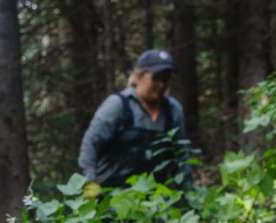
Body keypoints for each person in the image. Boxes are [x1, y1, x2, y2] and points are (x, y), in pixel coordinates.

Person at [78, 49, 191, 189]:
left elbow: (181, 154)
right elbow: (90, 144)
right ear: (139, 76)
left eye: (166, 78)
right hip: (112, 193)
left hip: (155, 199)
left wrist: (188, 193)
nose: (161, 84)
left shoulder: (173, 110)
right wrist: (90, 183)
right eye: (156, 77)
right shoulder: (118, 105)